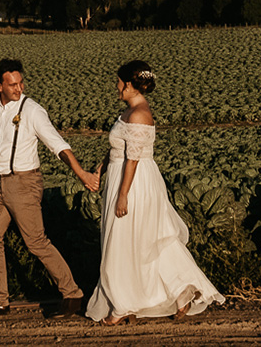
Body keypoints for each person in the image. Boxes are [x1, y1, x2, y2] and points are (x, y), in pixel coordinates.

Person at [84, 59, 225, 325]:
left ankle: (123, 304)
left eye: (118, 81)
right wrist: (101, 169)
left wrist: (123, 194)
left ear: (128, 84)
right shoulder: (128, 111)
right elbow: (119, 148)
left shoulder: (139, 114)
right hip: (120, 175)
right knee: (140, 240)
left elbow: (133, 159)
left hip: (134, 183)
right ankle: (180, 292)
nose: (115, 86)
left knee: (125, 240)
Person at [0, 56, 99, 318]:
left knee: (36, 242)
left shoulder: (32, 110)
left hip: (25, 182)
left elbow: (58, 145)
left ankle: (72, 294)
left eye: (20, 83)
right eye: (12, 85)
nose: (18, 89)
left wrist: (81, 174)